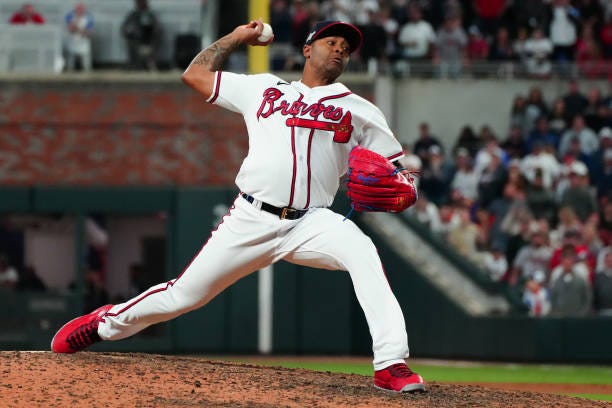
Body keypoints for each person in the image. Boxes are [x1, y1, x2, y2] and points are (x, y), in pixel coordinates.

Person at [51, 19, 426, 393]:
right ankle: (104, 324)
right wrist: (236, 38)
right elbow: (194, 75)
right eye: (332, 41)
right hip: (251, 217)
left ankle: (390, 363)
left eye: (347, 46)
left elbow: (397, 169)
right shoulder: (263, 88)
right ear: (308, 49)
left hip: (312, 222)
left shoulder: (360, 109)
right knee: (183, 296)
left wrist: (406, 186)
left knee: (362, 252)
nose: (341, 48)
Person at [121, 0, 162, 71]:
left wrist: (153, 32)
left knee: (156, 40)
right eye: (139, 2)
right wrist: (132, 31)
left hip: (150, 41)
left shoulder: (151, 15)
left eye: (143, 2)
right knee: (131, 43)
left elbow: (158, 28)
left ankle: (149, 63)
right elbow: (124, 29)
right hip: (136, 40)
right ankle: (135, 65)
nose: (142, 4)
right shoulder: (133, 15)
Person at [64, 2, 94, 72]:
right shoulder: (70, 16)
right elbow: (70, 29)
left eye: (81, 9)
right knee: (70, 62)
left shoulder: (89, 17)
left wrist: (78, 29)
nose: (79, 11)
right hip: (72, 41)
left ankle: (87, 74)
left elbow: (88, 33)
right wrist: (77, 23)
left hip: (83, 42)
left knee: (86, 63)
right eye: (78, 9)